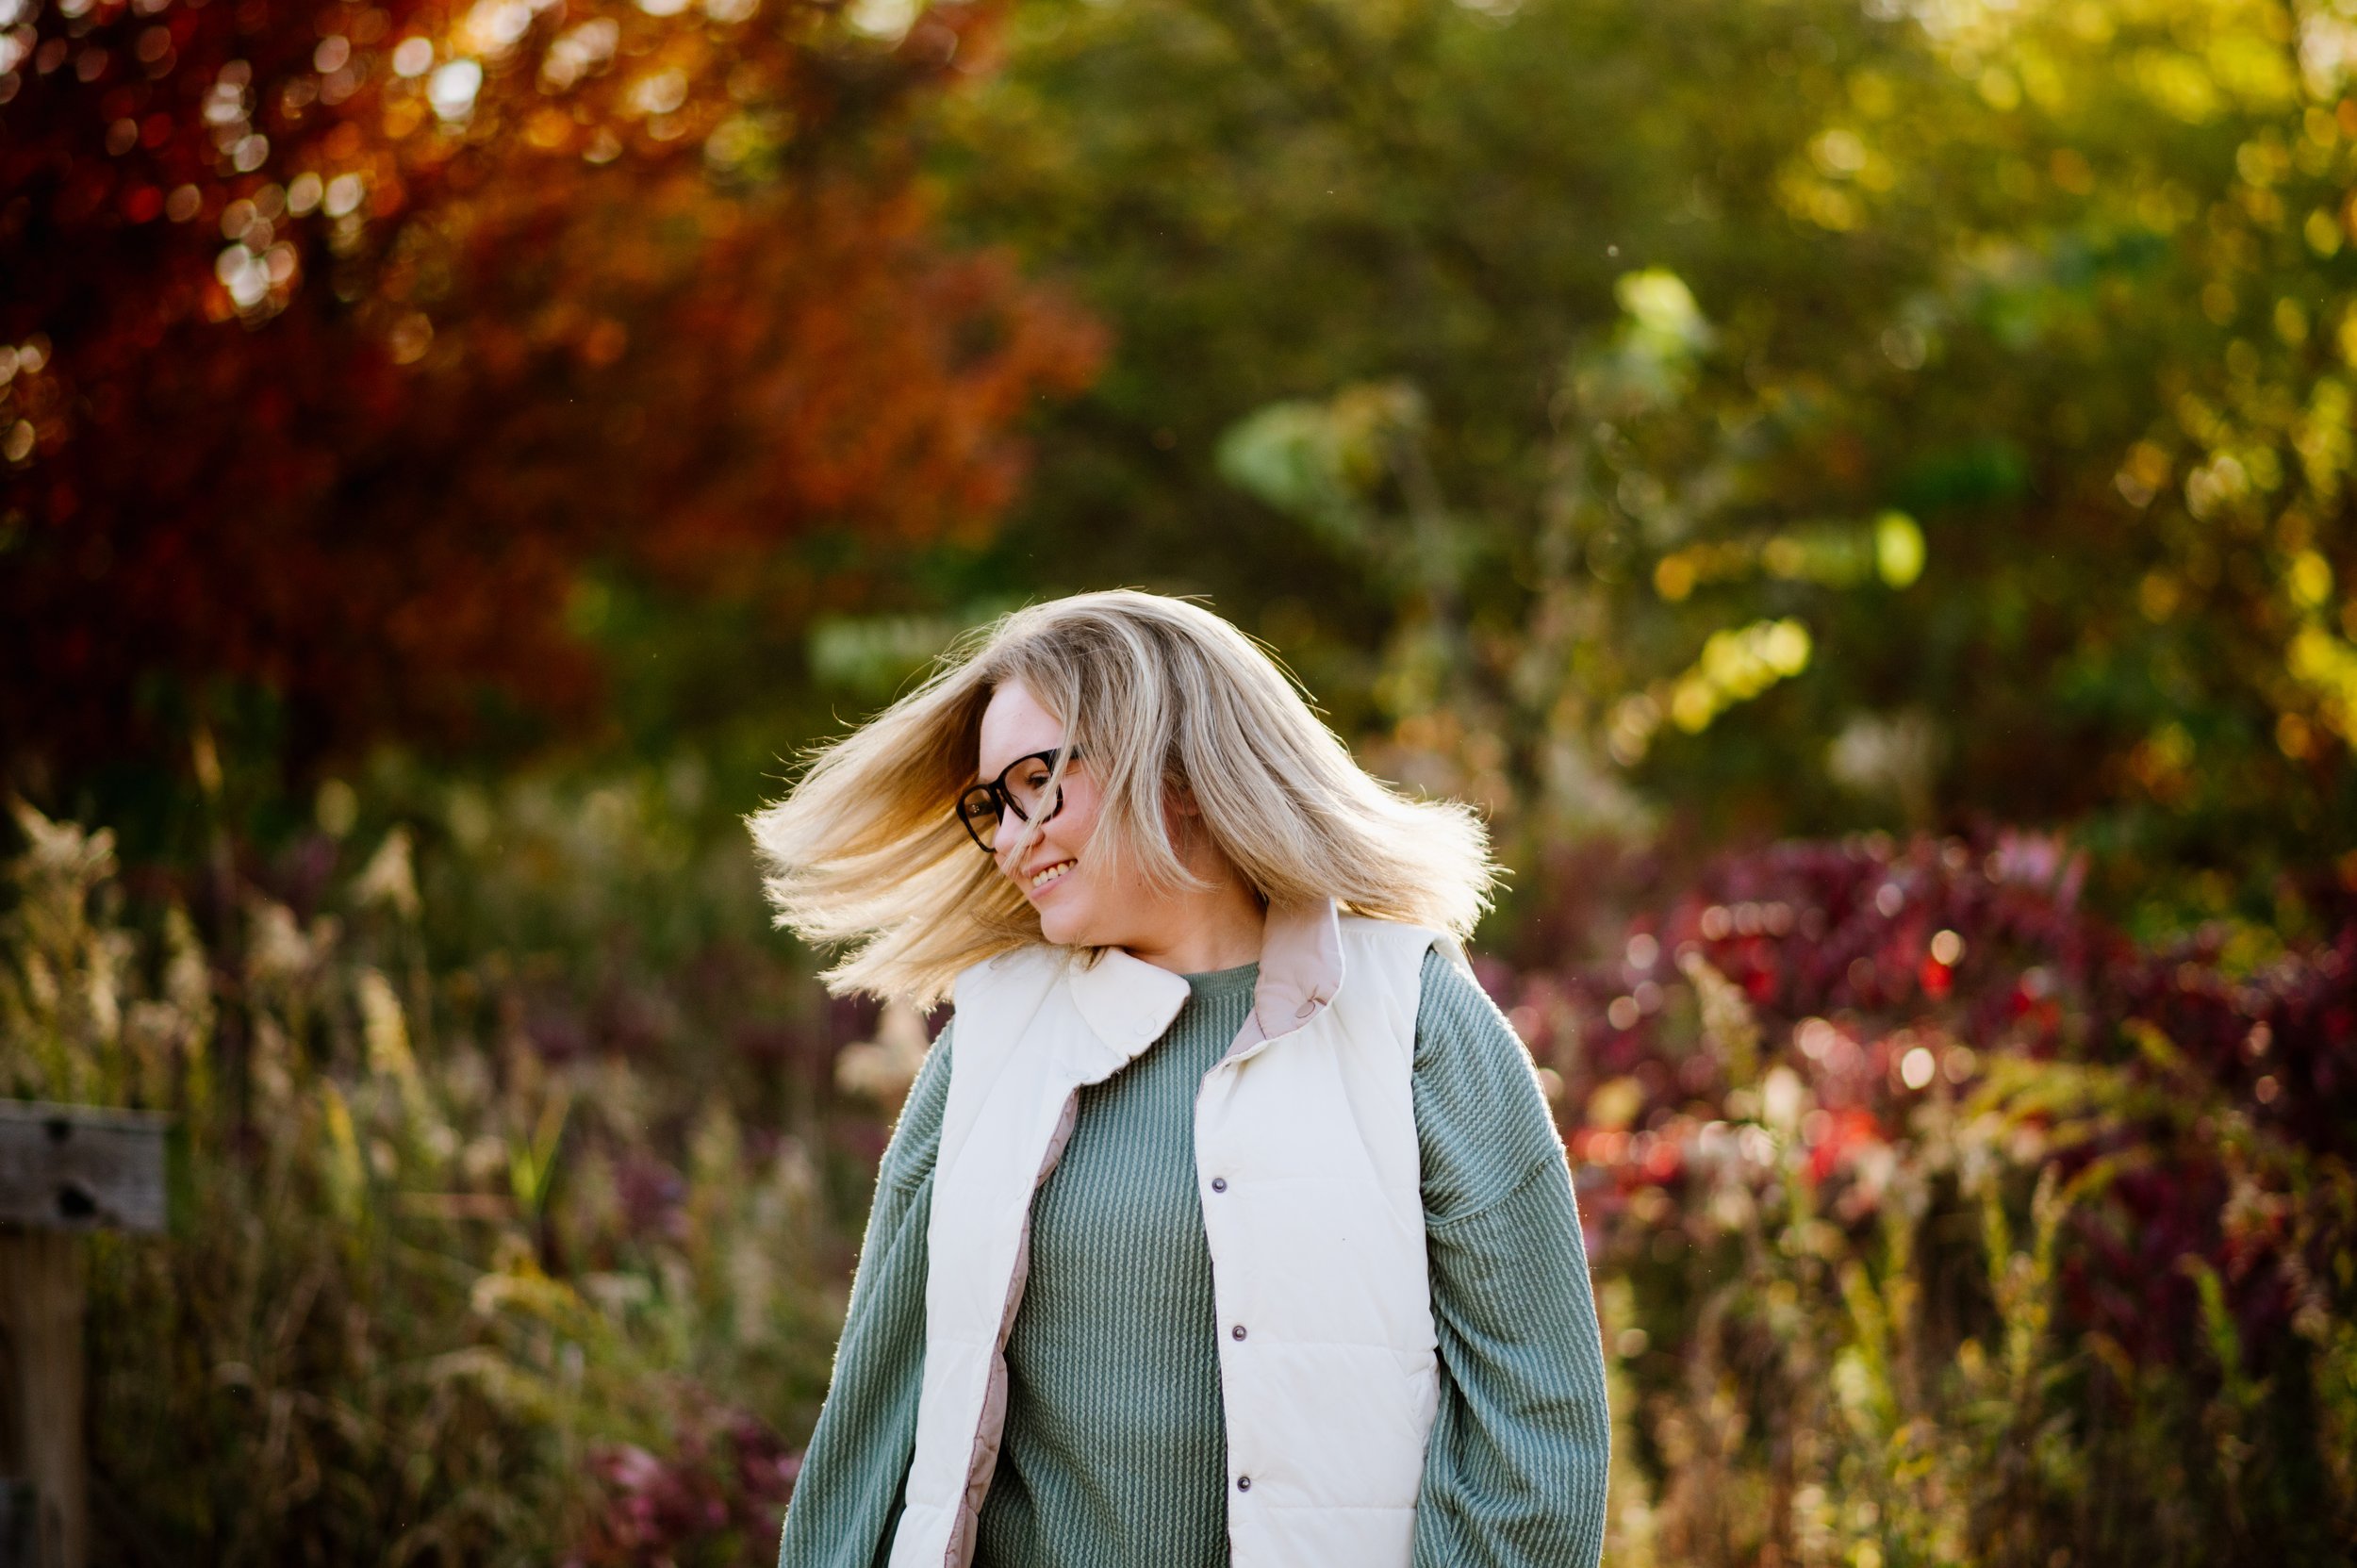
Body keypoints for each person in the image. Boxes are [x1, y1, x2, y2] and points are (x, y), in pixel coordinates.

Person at [750, 590, 1609, 1568]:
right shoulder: (987, 1043)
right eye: (991, 802)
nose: (1012, 835)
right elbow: (878, 1411)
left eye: (1038, 779)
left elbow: (1533, 1428)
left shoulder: (1416, 1021)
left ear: (1179, 769)